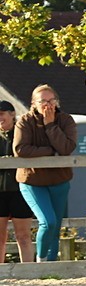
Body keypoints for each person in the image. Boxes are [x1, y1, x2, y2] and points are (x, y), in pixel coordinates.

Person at [15, 84, 77, 262]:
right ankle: (41, 261)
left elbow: (66, 148)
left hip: (59, 180)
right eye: (43, 101)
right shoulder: (25, 121)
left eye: (51, 101)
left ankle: (51, 266)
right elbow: (21, 149)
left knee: (56, 226)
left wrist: (50, 125)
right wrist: (51, 151)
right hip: (32, 180)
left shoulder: (65, 120)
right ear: (33, 104)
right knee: (47, 222)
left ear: (57, 102)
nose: (48, 105)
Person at [0, 100, 35, 263]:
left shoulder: (22, 133)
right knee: (0, 237)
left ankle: (29, 271)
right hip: (0, 192)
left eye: (1, 114)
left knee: (23, 235)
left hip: (20, 189)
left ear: (12, 114)